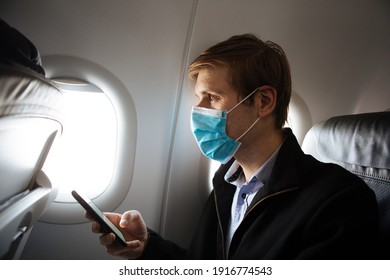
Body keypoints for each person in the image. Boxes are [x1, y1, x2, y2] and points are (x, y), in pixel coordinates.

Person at [87, 34, 379, 259]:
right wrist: (146, 247)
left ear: (263, 102)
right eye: (199, 97)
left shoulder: (339, 201)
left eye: (212, 97)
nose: (198, 110)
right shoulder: (227, 183)